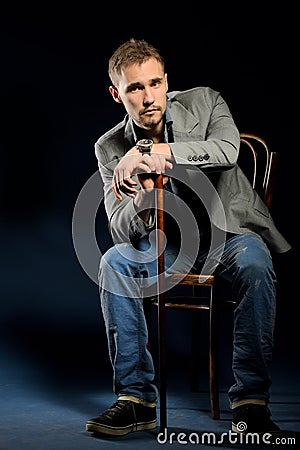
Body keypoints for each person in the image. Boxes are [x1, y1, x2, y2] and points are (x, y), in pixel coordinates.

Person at [85, 38, 291, 437]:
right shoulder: (109, 147)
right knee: (113, 261)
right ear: (116, 94)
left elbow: (227, 150)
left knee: (255, 260)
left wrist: (150, 150)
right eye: (134, 88)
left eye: (154, 83)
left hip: (228, 235)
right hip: (170, 245)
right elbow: (120, 228)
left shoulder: (206, 102)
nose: (148, 97)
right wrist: (142, 196)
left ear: (166, 82)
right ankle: (135, 400)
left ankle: (251, 402)